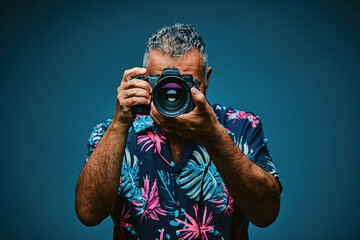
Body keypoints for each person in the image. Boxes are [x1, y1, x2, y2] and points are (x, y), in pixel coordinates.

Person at [75, 23, 282, 240]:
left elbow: (266, 214)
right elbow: (88, 214)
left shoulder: (241, 126)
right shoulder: (115, 132)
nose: (173, 94)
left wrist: (214, 137)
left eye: (187, 83)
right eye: (163, 84)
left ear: (207, 79)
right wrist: (119, 123)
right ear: (144, 81)